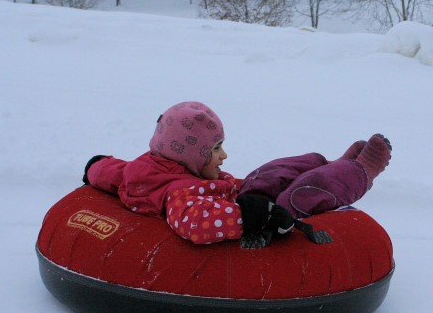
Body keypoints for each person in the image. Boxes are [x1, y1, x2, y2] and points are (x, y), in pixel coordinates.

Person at [83, 101, 391, 246]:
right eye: (216, 148)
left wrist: (93, 165)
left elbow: (109, 172)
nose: (224, 155)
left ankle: (328, 163)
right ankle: (360, 171)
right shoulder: (179, 194)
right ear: (191, 154)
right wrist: (253, 217)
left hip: (238, 194)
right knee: (300, 195)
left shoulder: (144, 169)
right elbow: (196, 223)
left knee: (271, 172)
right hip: (263, 217)